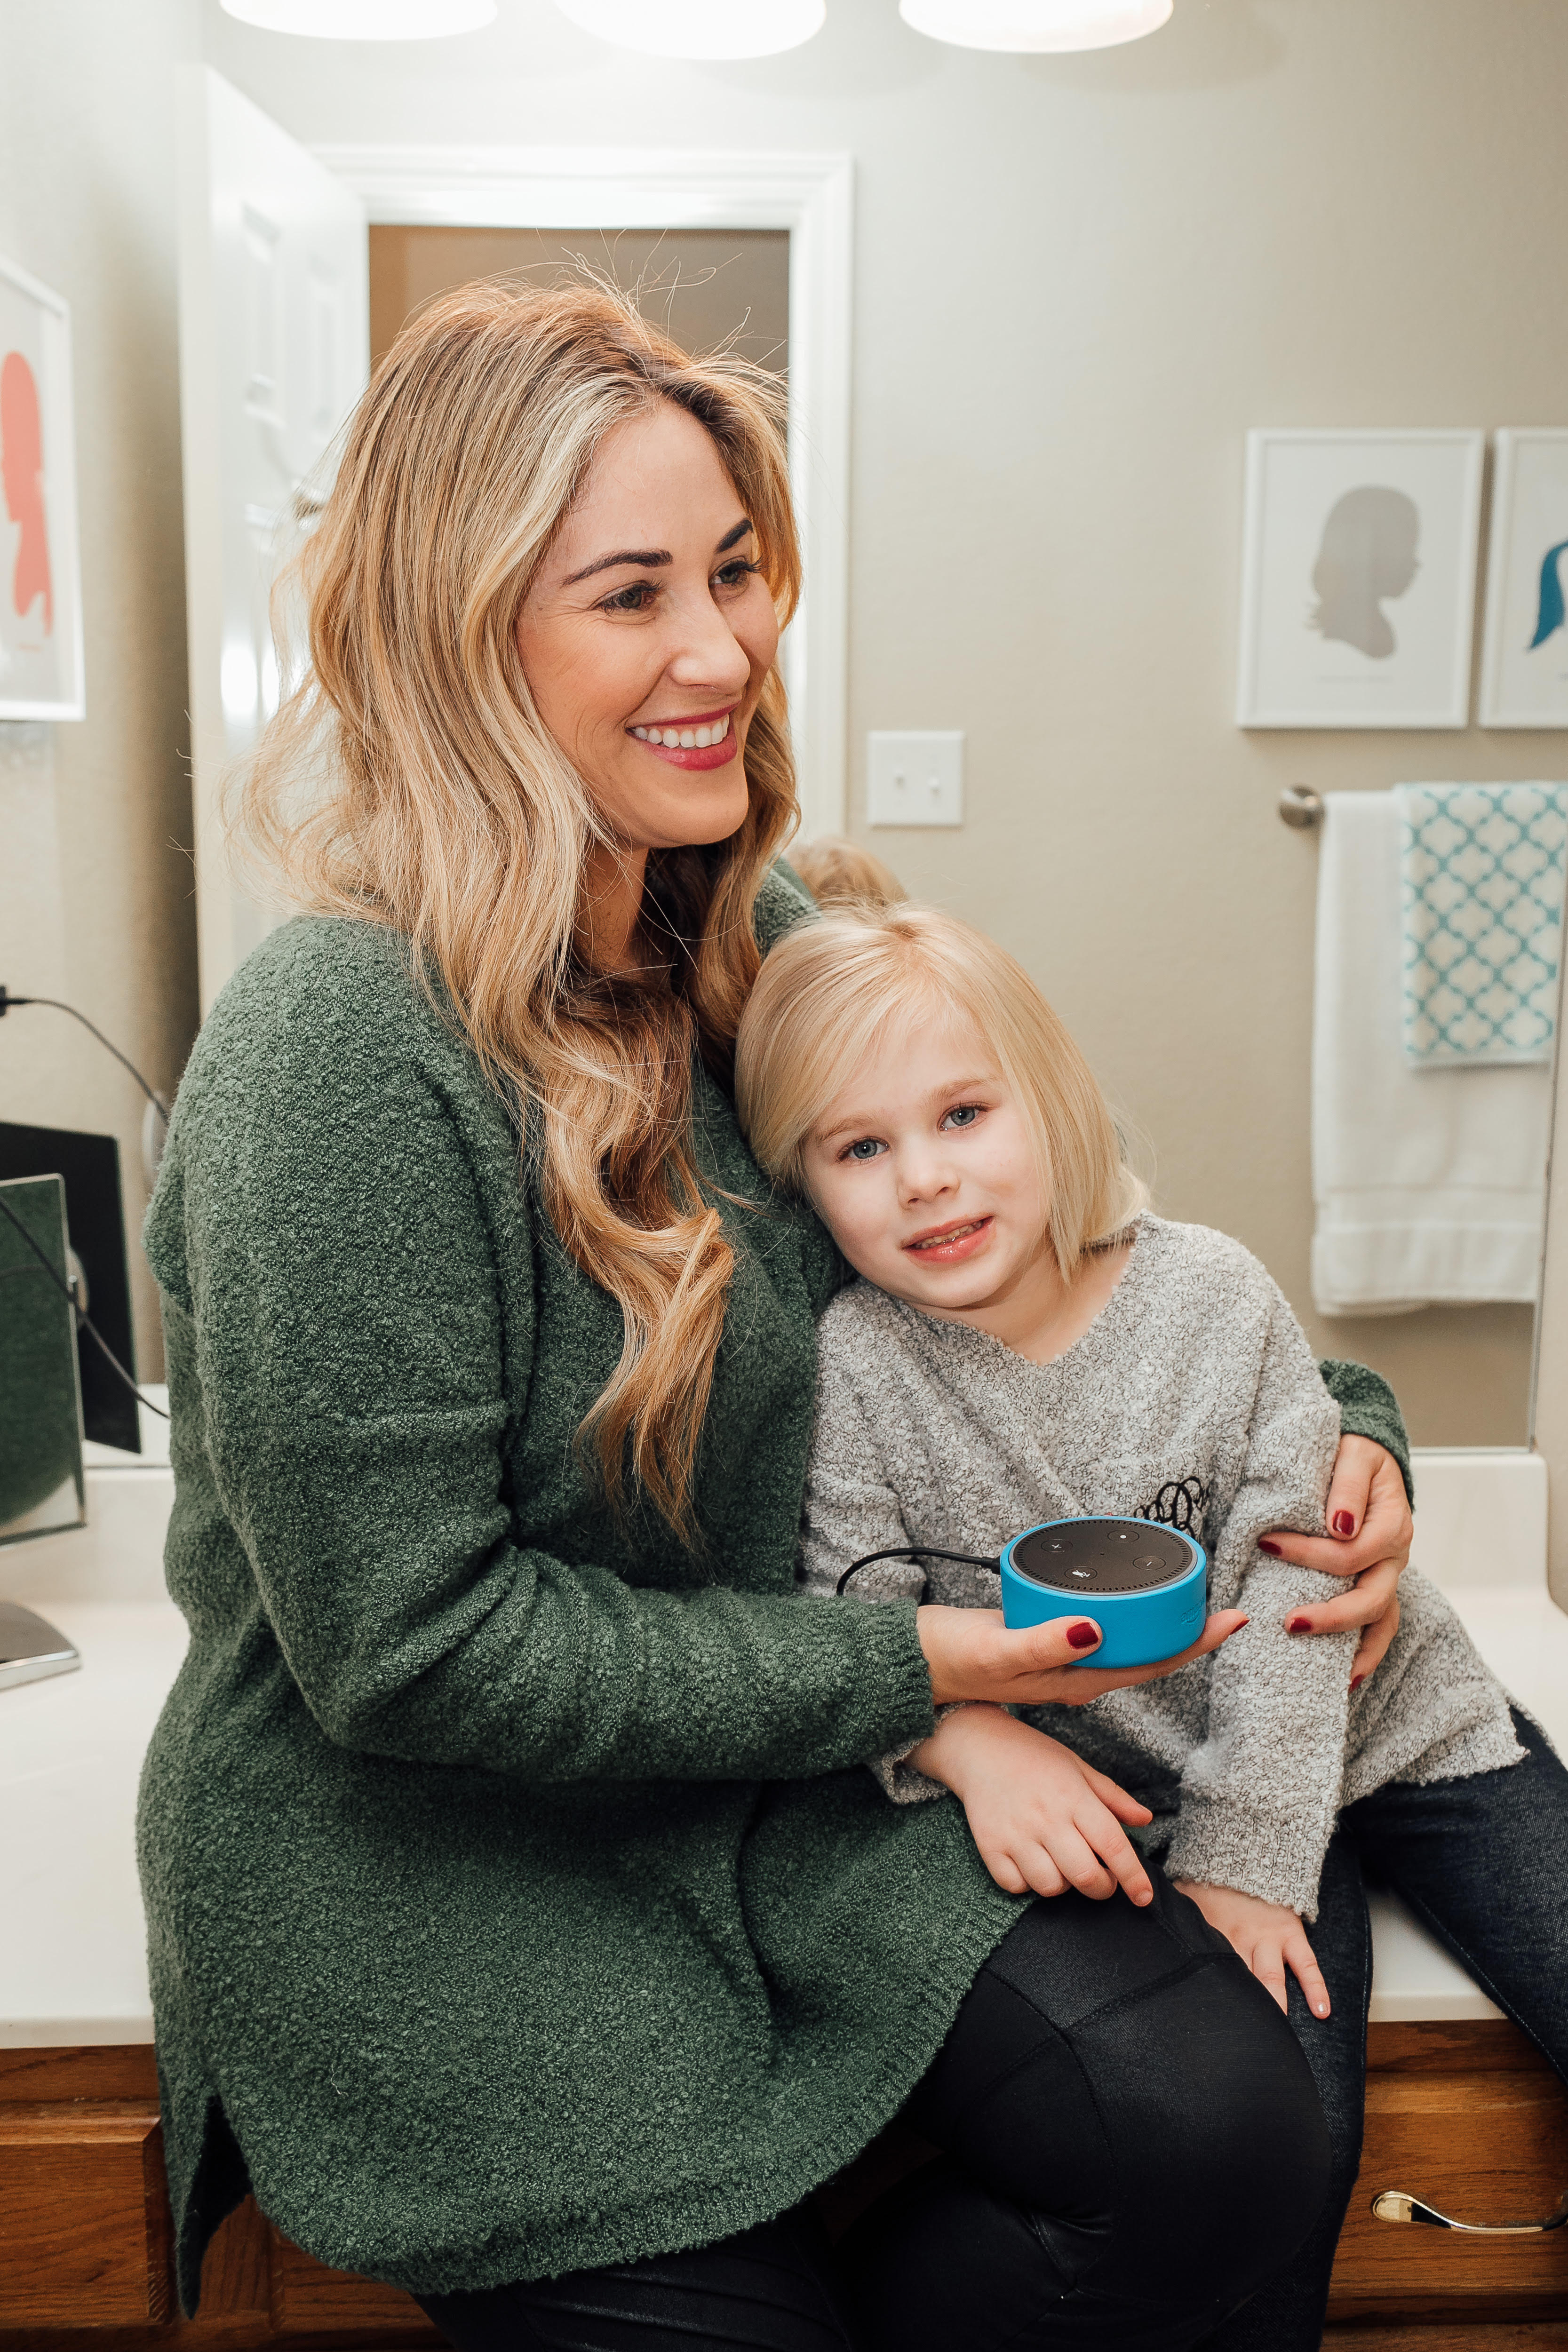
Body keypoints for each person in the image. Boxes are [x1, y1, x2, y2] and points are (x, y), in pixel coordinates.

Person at [137, 281, 1417, 2352]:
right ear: (461, 638)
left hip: (778, 1782)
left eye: (734, 571)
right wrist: (913, 1666)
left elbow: (1062, 1244)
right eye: (630, 591)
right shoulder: (338, 1055)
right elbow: (411, 1648)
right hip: (449, 1869)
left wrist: (1346, 1419)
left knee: (1226, 2128)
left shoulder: (744, 926)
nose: (722, 649)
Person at [735, 898, 1568, 2352]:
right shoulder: (855, 1368)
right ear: (805, 1185)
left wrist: (1256, 1861)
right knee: (1284, 2181)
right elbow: (851, 1623)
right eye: (860, 1149)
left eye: (963, 1114)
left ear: (1049, 1102)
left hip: (1393, 1733)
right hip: (1165, 1799)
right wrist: (958, 1738)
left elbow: (1308, 1583)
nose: (924, 1181)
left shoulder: (1211, 1294)